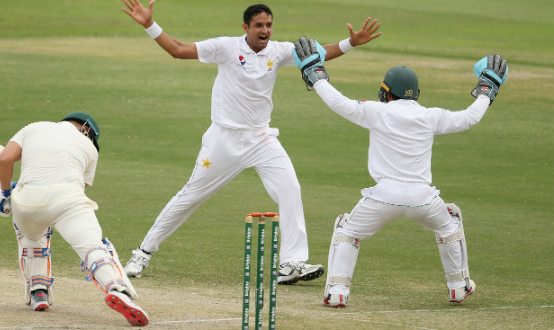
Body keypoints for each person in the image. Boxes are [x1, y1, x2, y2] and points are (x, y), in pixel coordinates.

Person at [120, 0, 382, 284]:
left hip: (261, 139)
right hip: (224, 139)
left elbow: (315, 55)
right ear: (246, 27)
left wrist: (351, 43)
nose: (265, 30)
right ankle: (143, 253)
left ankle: (290, 264)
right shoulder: (226, 47)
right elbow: (178, 50)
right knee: (190, 196)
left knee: (290, 189)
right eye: (259, 25)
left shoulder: (279, 51)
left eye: (269, 25)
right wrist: (149, 24)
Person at [292, 39, 507, 306]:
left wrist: (316, 74)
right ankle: (458, 287)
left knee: (347, 231)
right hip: (423, 199)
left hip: (382, 198)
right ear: (415, 93)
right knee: (450, 221)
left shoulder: (376, 111)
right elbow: (468, 118)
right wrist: (487, 90)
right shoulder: (431, 115)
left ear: (387, 92)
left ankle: (337, 292)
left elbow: (339, 102)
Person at [0, 112, 149, 326]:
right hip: (67, 200)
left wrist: (4, 192)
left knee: (32, 238)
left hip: (26, 202)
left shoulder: (33, 127)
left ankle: (39, 293)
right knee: (92, 247)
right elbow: (78, 186)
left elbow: (4, 159)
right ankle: (117, 288)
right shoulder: (90, 148)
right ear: (86, 129)